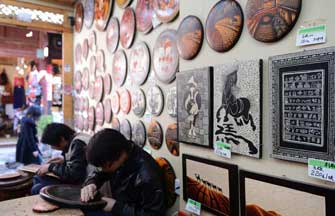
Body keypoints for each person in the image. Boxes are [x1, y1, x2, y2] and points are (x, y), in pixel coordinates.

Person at [81, 129, 166, 216]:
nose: (103, 169)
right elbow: (100, 172)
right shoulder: (122, 152)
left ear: (118, 157)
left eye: (104, 166)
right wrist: (91, 183)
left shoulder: (147, 175)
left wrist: (116, 207)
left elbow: (153, 214)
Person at [31, 123, 90, 195]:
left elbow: (74, 175)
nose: (52, 148)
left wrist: (51, 167)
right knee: (38, 178)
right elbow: (77, 163)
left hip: (86, 186)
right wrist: (63, 160)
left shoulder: (78, 144)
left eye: (52, 144)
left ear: (62, 139)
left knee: (37, 189)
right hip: (80, 180)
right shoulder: (76, 139)